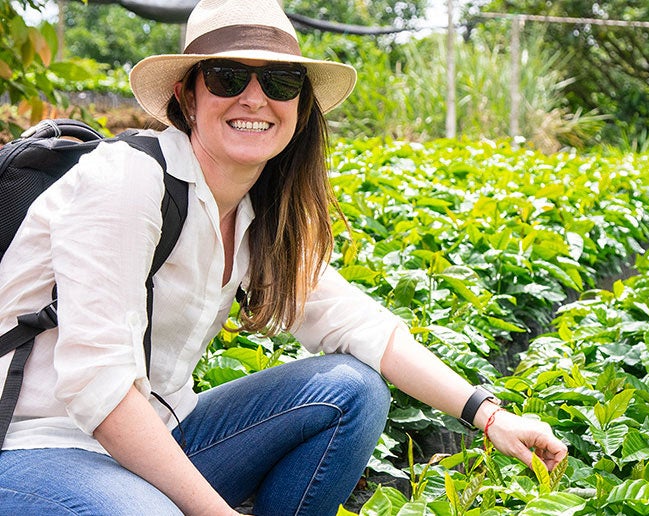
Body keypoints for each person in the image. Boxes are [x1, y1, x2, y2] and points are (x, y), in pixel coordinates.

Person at [0, 0, 567, 514]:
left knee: (350, 389)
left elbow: (360, 325)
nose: (255, 98)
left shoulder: (254, 212)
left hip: (156, 433)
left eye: (279, 80)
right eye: (227, 77)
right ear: (186, 94)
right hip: (35, 444)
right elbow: (98, 386)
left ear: (299, 103)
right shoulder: (126, 181)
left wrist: (489, 416)